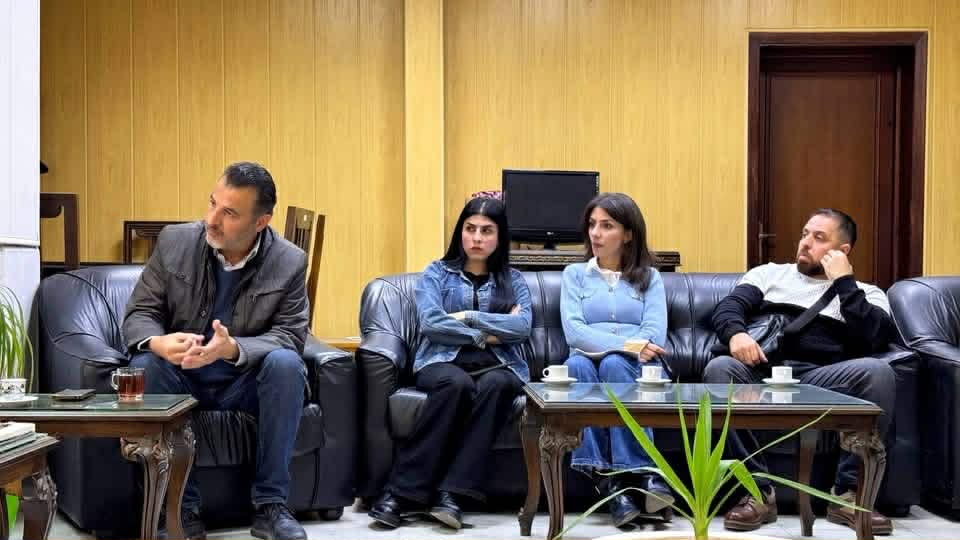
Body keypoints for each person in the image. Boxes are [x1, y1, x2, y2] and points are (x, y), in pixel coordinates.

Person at [124, 162, 309, 540]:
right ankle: (180, 509)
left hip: (242, 381)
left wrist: (233, 349)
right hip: (181, 376)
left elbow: (290, 335)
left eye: (230, 213)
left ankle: (271, 506)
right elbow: (140, 312)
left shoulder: (289, 261)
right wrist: (159, 342)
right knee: (145, 363)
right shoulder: (175, 242)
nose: (212, 220)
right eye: (212, 204)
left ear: (261, 222)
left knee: (287, 364)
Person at [704, 208, 897, 535]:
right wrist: (736, 334)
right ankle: (755, 491)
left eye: (819, 238)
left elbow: (875, 336)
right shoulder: (769, 275)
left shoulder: (866, 293)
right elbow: (729, 308)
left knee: (878, 372)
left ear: (842, 251)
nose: (805, 243)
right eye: (805, 234)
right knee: (720, 368)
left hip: (820, 378)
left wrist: (844, 282)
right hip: (763, 373)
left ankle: (848, 495)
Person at [368, 197, 533, 530]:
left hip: (499, 366)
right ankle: (401, 494)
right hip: (441, 362)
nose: (477, 238)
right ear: (460, 232)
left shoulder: (513, 280)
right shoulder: (437, 273)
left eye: (487, 231)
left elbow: (522, 327)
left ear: (500, 237)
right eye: (470, 229)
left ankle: (451, 495)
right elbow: (431, 323)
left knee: (498, 385)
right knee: (456, 384)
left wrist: (467, 317)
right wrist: (486, 334)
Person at [560, 192, 674, 527]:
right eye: (592, 224)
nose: (595, 233)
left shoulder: (650, 278)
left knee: (612, 365)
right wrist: (626, 343)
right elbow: (574, 333)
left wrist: (624, 350)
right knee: (576, 366)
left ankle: (618, 485)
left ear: (628, 234)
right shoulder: (574, 275)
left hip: (639, 369)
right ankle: (635, 478)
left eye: (607, 226)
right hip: (587, 362)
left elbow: (654, 334)